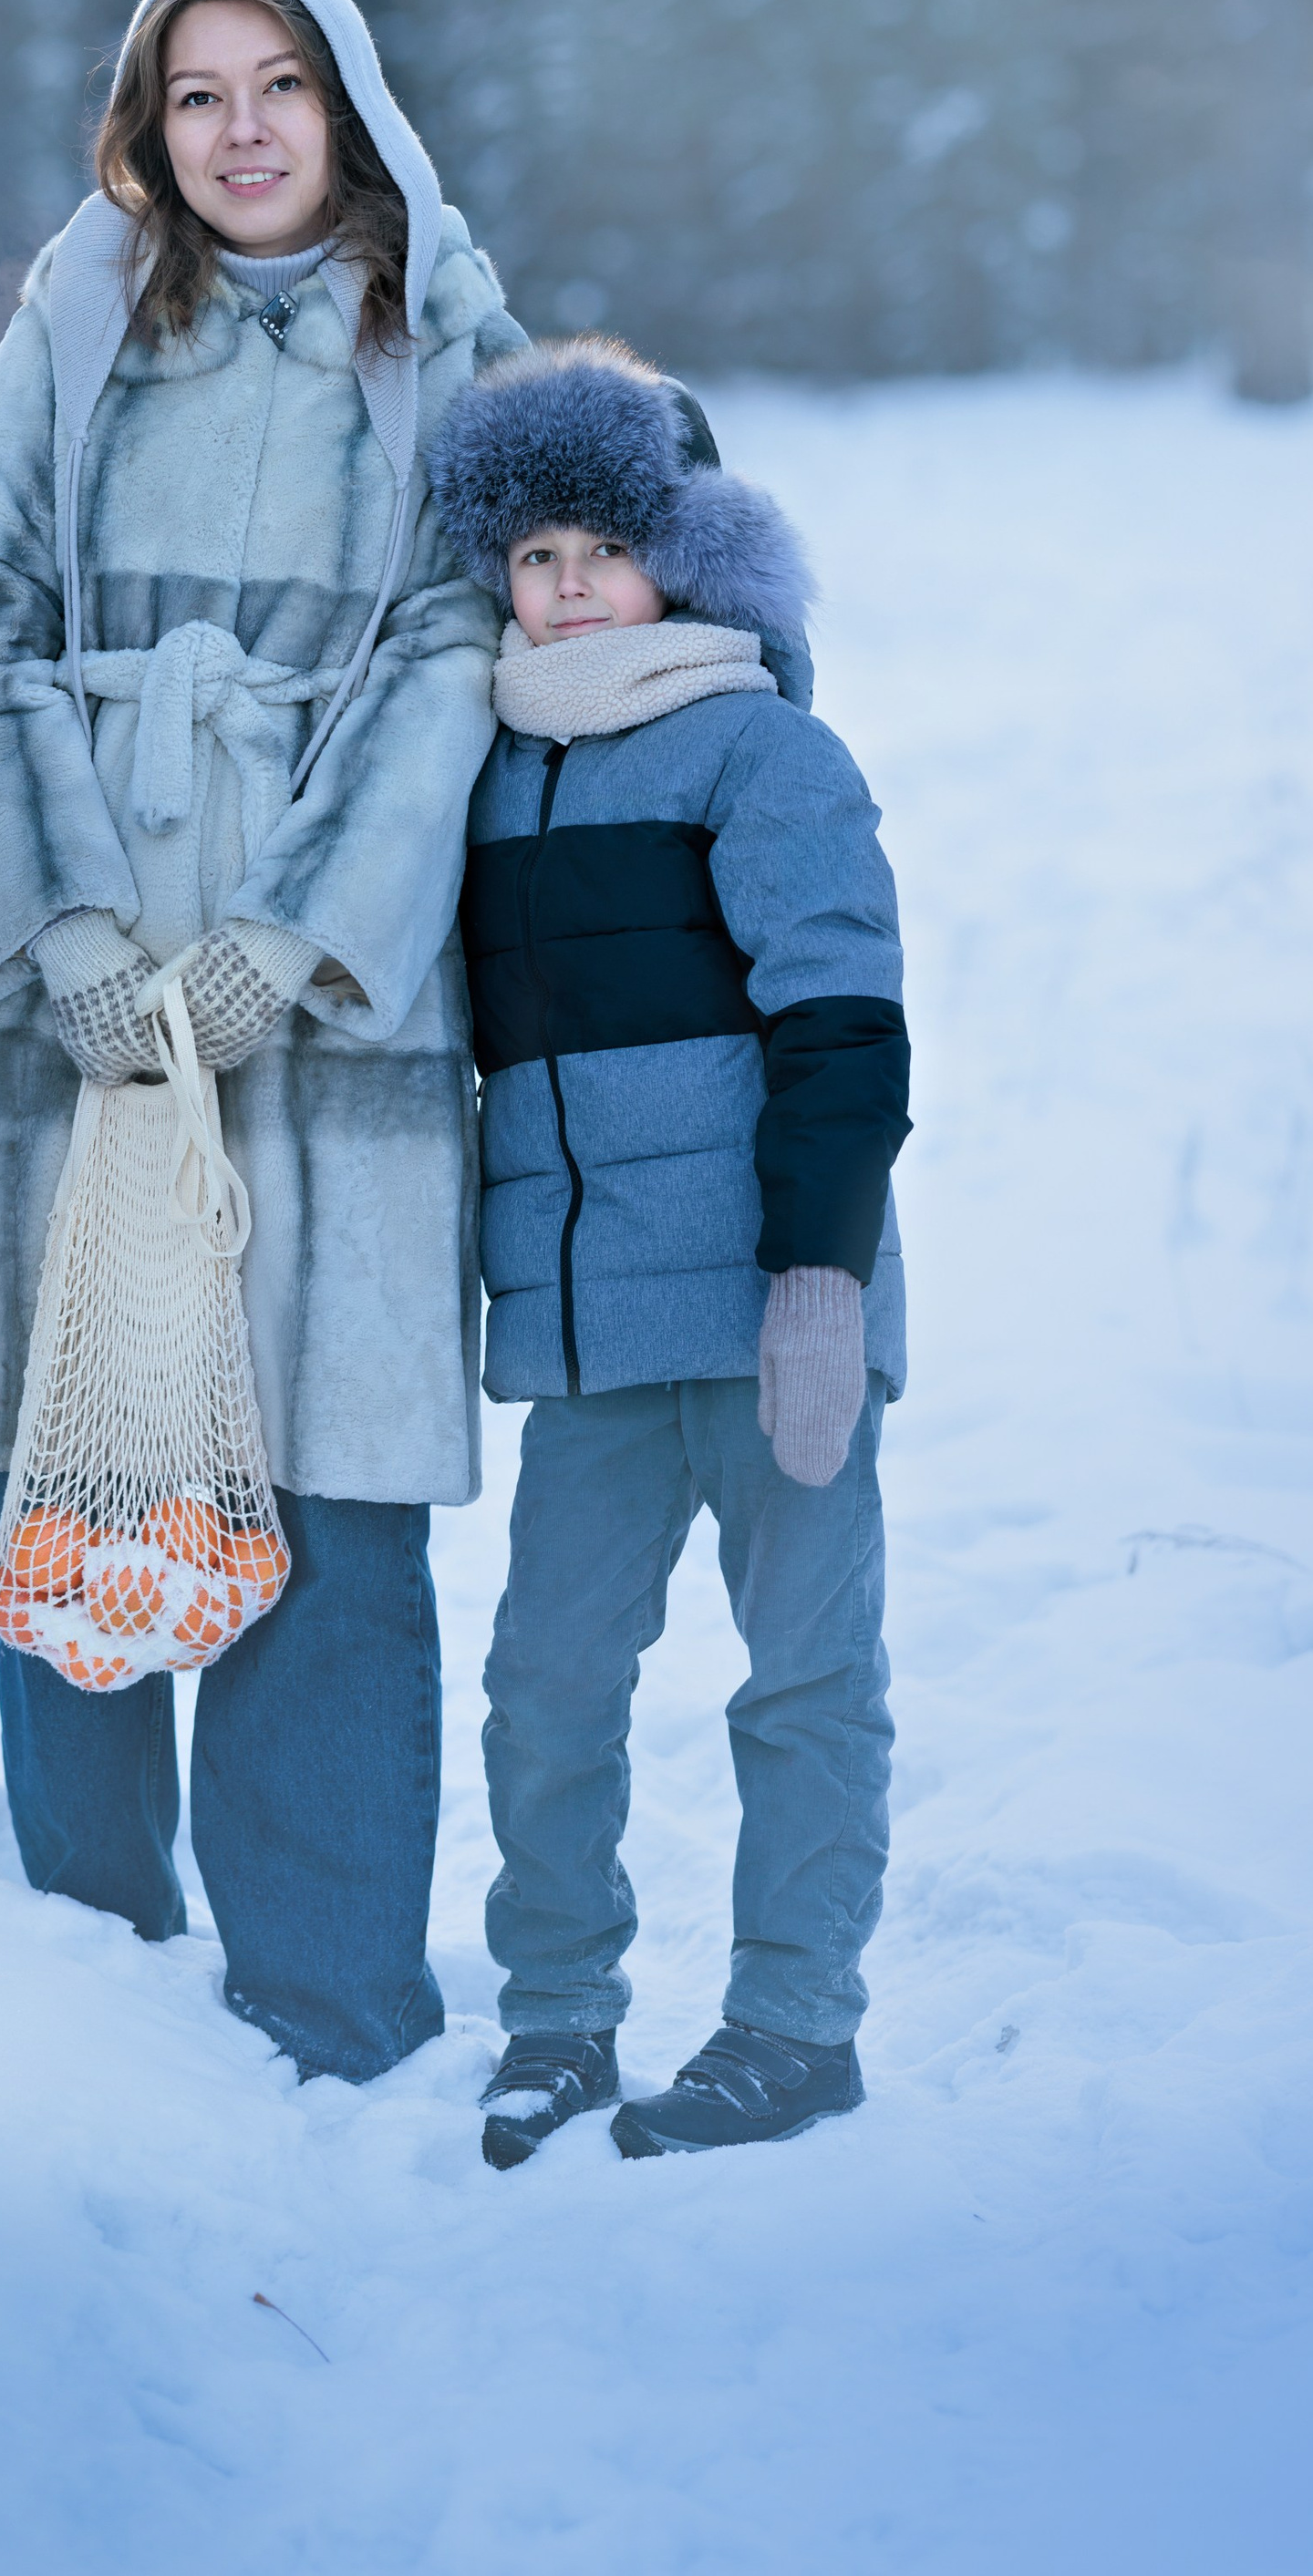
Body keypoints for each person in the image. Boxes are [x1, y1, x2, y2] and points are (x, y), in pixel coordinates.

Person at [0, 0, 526, 2085]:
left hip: (324, 1013)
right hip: (68, 986)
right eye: (196, 94)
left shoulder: (448, 338)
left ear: (347, 104)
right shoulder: (77, 308)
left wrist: (296, 939)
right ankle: (87, 1982)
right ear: (147, 127)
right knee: (67, 1454)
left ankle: (329, 2006)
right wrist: (62, 926)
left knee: (323, 1501)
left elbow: (454, 650)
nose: (241, 131)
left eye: (279, 87)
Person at [427, 335, 912, 2165]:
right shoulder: (485, 771)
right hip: (590, 1333)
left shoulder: (761, 747)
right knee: (546, 1683)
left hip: (775, 1304)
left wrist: (821, 1277)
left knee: (802, 1676)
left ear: (687, 556)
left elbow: (843, 1019)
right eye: (535, 554)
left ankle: (795, 2025)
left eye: (606, 549)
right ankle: (555, 2012)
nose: (567, 587)